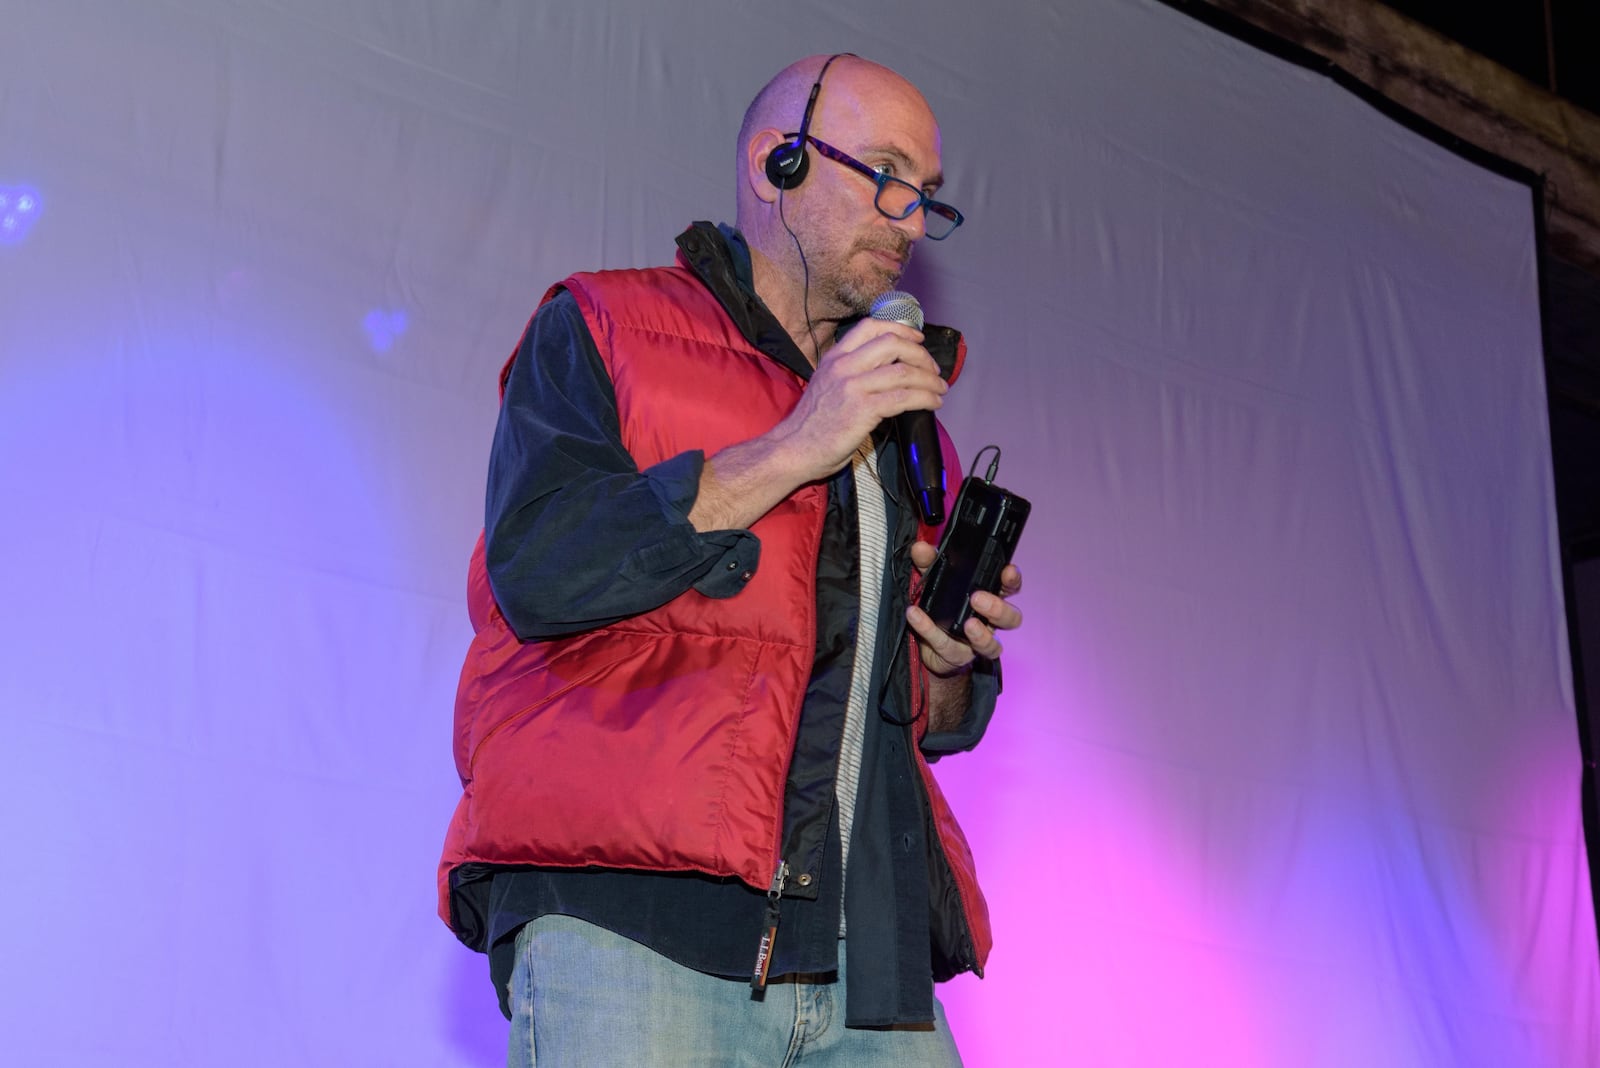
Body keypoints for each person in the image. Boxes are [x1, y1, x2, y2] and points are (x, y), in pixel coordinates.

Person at [438, 52, 1024, 1066]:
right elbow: (540, 568)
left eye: (927, 197)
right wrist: (796, 443)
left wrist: (942, 662)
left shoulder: (900, 419)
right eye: (885, 173)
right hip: (640, 928)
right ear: (776, 162)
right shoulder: (602, 325)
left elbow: (876, 705)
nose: (910, 219)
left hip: (868, 953)